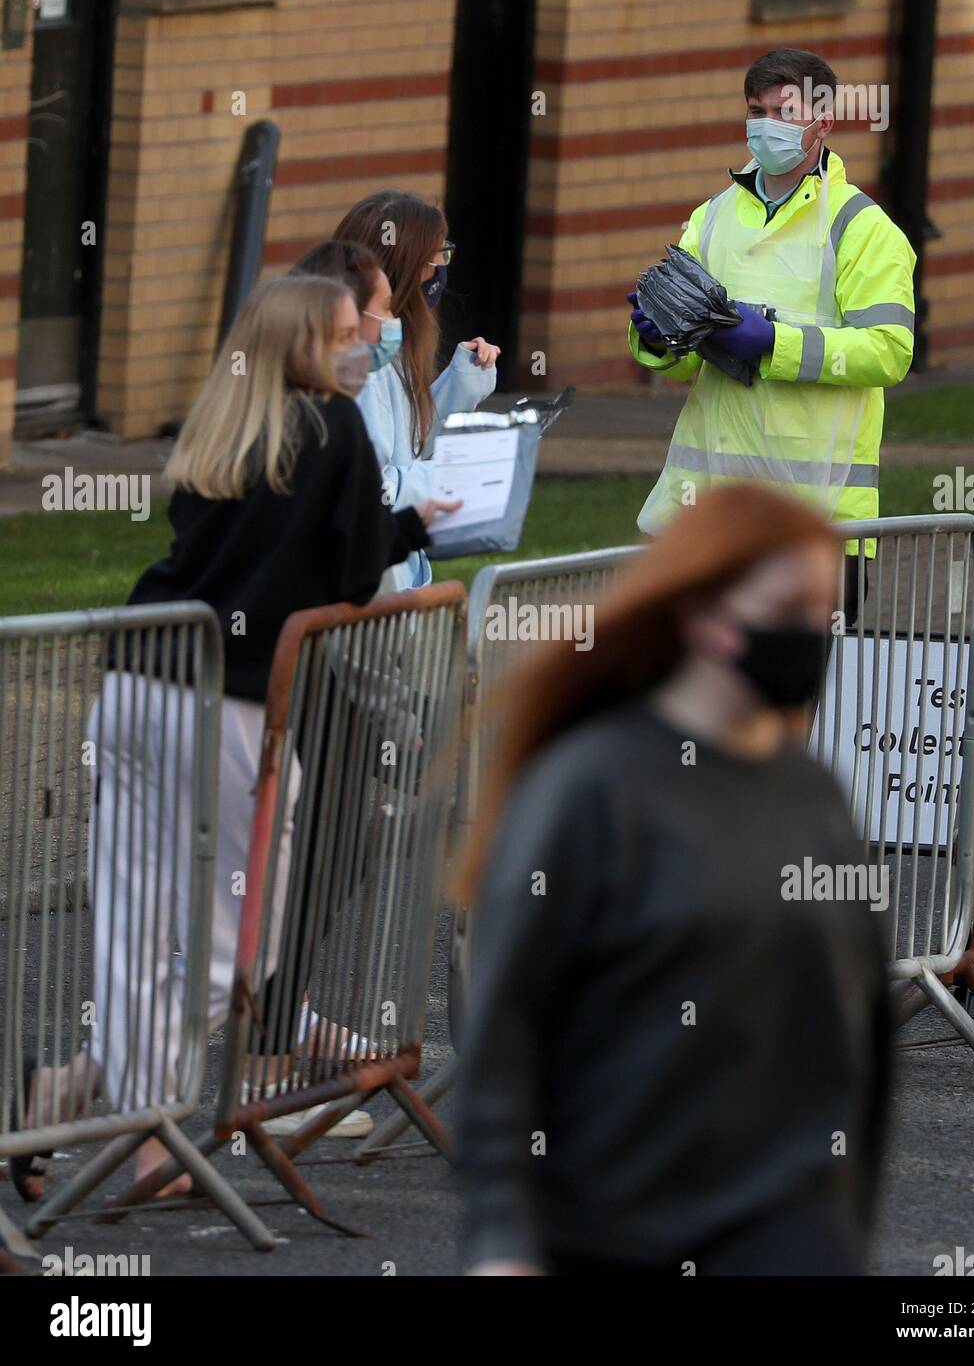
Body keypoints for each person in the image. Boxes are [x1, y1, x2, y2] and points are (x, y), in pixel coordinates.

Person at [12, 273, 457, 1202]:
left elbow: (267, 543)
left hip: (139, 682)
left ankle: (104, 1118)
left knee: (136, 936)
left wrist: (394, 524)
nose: (360, 343)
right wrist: (413, 528)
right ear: (304, 343)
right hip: (228, 705)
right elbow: (347, 570)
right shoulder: (330, 426)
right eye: (344, 329)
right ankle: (134, 1129)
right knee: (231, 958)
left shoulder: (226, 425)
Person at [455, 483, 892, 1276]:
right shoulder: (589, 789)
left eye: (827, 609)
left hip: (783, 1237)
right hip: (611, 1230)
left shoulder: (815, 797)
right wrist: (502, 1245)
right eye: (791, 606)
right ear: (704, 615)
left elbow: (859, 1043)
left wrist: (841, 1228)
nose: (814, 633)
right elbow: (506, 1035)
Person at [629, 47, 916, 617]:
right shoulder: (711, 216)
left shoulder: (862, 228)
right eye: (756, 111)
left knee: (806, 701)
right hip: (709, 515)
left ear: (823, 123)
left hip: (817, 519)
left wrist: (774, 345)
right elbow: (684, 362)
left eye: (783, 112)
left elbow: (889, 351)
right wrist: (657, 342)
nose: (765, 127)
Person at [332, 190, 501, 591]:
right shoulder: (362, 368)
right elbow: (377, 487)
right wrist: (458, 474)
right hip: (374, 587)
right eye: (435, 256)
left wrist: (460, 385)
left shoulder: (390, 353)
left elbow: (410, 446)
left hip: (391, 571)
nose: (443, 268)